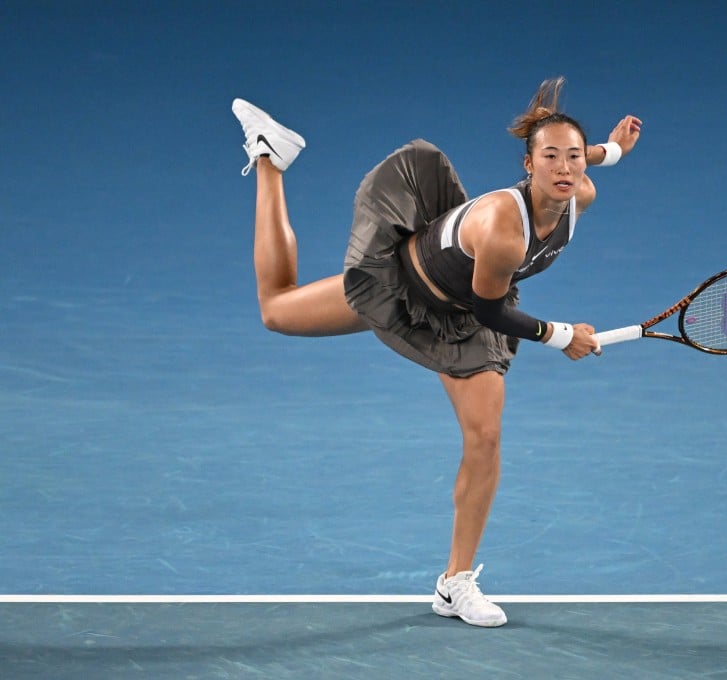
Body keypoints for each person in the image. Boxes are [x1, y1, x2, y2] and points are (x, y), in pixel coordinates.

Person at [231, 78, 641, 627]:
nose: (565, 169)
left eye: (574, 159)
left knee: (485, 435)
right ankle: (269, 159)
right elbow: (493, 312)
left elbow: (576, 166)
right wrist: (563, 335)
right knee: (276, 311)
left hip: (464, 316)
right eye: (551, 158)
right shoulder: (502, 228)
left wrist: (611, 151)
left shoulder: (579, 193)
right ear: (528, 164)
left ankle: (455, 583)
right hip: (404, 286)